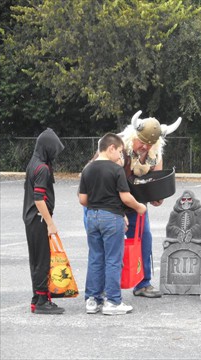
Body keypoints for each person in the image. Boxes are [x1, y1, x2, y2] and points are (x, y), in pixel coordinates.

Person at [78, 133, 147, 315]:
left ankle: (92, 300)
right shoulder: (116, 170)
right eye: (119, 151)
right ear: (110, 148)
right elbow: (125, 197)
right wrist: (140, 207)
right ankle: (113, 302)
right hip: (112, 218)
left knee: (95, 257)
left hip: (92, 217)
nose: (121, 156)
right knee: (113, 260)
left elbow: (82, 199)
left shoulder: (87, 169)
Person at [118, 110, 181, 298]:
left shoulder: (154, 153)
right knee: (111, 244)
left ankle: (142, 283)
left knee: (144, 239)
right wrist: (118, 212)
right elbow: (107, 183)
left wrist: (157, 196)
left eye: (150, 144)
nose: (145, 147)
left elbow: (155, 179)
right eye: (142, 143)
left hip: (137, 204)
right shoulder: (118, 148)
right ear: (134, 136)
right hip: (112, 203)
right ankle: (107, 287)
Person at [22, 128, 65, 314]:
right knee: (42, 259)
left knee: (36, 258)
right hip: (38, 218)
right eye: (54, 150)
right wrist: (50, 223)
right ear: (47, 148)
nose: (55, 154)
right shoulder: (42, 169)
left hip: (30, 218)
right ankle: (41, 301)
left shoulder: (34, 163)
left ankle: (37, 297)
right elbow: (39, 199)